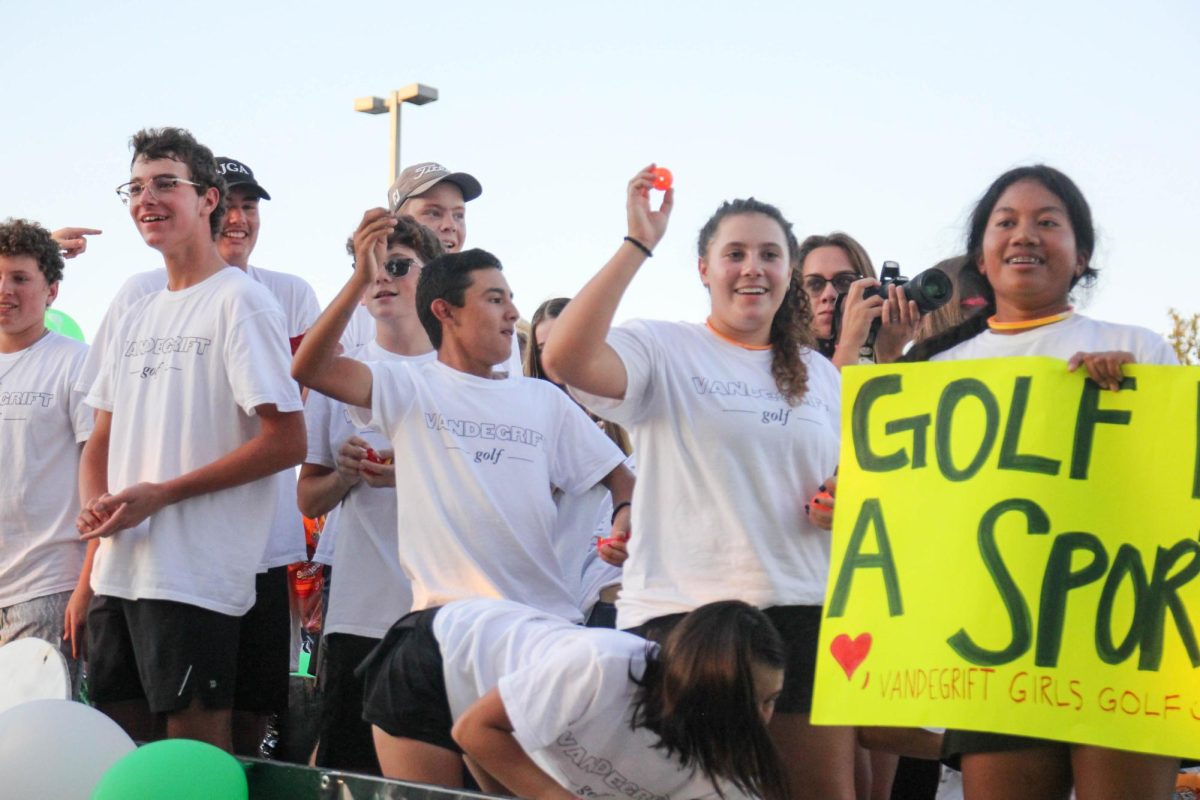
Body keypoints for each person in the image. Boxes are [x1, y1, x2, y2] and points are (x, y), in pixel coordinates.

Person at [542, 166, 852, 799]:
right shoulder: (663, 347)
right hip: (685, 619)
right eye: (733, 254)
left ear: (789, 271)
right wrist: (638, 243)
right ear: (704, 269)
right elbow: (563, 356)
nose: (752, 269)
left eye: (770, 255)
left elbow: (850, 485)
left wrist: (840, 503)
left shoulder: (823, 376)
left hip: (803, 612)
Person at [902, 165, 1180, 800]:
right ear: (982, 253)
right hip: (994, 647)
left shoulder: (1138, 349)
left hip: (1119, 635)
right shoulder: (935, 374)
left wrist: (1141, 403)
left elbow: (1171, 493)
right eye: (1006, 222)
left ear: (1082, 255)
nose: (1024, 235)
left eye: (1047, 222)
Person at [73, 154, 318, 755]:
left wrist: (163, 494)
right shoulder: (137, 305)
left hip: (197, 578)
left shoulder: (244, 300)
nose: (146, 199)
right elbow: (99, 438)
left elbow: (288, 440)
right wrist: (95, 514)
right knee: (120, 749)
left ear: (205, 199)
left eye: (165, 185)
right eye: (135, 187)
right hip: (119, 572)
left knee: (197, 760)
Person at [291, 210, 634, 620]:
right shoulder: (407, 388)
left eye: (510, 299)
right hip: (429, 625)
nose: (512, 313)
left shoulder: (544, 399)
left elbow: (620, 476)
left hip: (540, 622)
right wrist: (358, 279)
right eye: (494, 300)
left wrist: (623, 520)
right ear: (445, 311)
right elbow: (309, 368)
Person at [360, 597, 789, 800]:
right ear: (704, 686)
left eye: (771, 701)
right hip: (445, 657)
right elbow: (475, 729)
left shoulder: (731, 784)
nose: (763, 718)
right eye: (751, 700)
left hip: (518, 722)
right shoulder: (605, 664)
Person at [298, 215, 442, 773]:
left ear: (430, 280)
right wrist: (345, 475)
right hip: (359, 612)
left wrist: (418, 471)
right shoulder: (340, 375)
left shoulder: (465, 373)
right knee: (349, 774)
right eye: (371, 269)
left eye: (398, 266)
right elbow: (308, 499)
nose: (383, 279)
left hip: (441, 610)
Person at [0, 219, 92, 692]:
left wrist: (87, 583)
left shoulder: (76, 362)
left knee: (30, 742)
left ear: (52, 291)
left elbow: (102, 478)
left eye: (20, 279)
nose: (5, 291)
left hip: (46, 587)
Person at [525, 297, 629, 626]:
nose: (557, 356)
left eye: (566, 340)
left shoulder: (626, 416)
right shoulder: (525, 422)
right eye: (544, 347)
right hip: (542, 602)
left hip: (602, 597)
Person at [797, 231, 919, 367]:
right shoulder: (777, 362)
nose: (829, 294)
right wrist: (849, 343)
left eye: (844, 282)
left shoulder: (879, 356)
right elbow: (829, 388)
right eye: (815, 284)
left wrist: (891, 353)